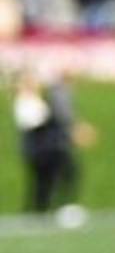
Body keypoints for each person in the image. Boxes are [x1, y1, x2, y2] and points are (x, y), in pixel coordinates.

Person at [13, 68, 89, 225]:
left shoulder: (38, 100)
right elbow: (35, 124)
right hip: (40, 149)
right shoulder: (25, 101)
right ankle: (40, 212)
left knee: (52, 179)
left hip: (48, 148)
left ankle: (48, 210)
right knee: (44, 181)